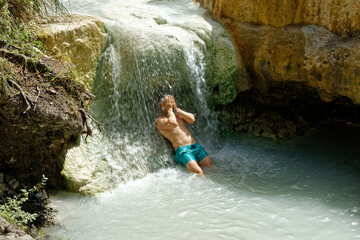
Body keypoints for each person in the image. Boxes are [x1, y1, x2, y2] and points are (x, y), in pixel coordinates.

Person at [155, 95, 212, 175]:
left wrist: (177, 109)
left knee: (210, 168)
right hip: (183, 151)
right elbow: (173, 123)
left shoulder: (178, 115)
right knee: (199, 173)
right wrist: (170, 110)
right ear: (161, 105)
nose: (171, 103)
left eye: (172, 101)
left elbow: (192, 119)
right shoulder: (159, 120)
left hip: (195, 146)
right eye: (168, 102)